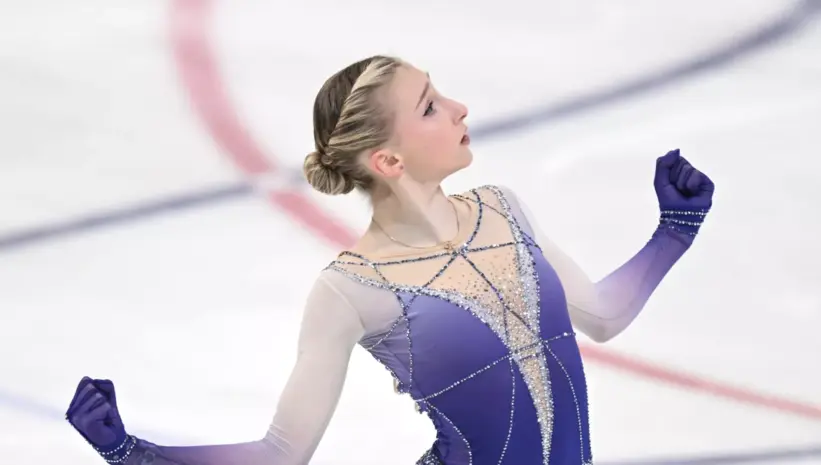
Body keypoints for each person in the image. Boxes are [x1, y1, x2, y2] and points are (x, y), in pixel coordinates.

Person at [65, 55, 714, 465]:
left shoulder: (502, 209)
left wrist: (674, 230)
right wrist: (133, 453)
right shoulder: (351, 288)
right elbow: (281, 452)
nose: (458, 108)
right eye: (430, 105)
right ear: (389, 160)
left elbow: (601, 315)